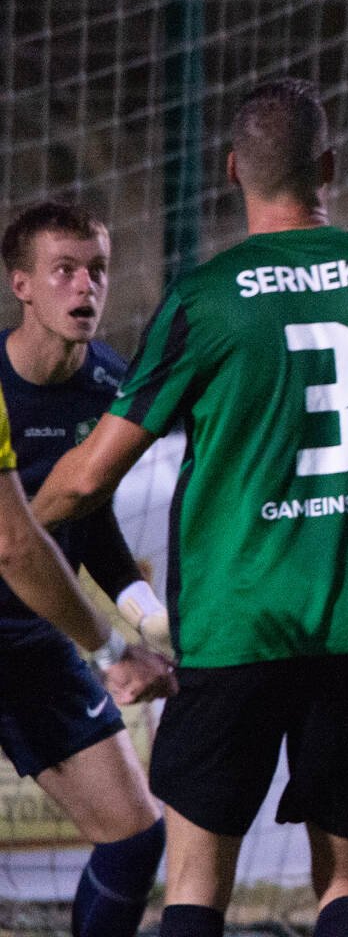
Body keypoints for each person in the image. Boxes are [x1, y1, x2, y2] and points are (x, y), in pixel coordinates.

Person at [33, 80, 348, 937]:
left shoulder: (205, 297)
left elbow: (86, 481)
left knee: (193, 893)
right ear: (327, 165)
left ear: (231, 172)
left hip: (236, 627)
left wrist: (17, 526)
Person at [0, 202, 179, 937]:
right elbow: (16, 545)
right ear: (23, 286)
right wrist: (111, 652)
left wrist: (152, 620)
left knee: (135, 836)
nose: (85, 288)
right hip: (48, 623)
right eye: (64, 271)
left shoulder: (112, 384)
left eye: (97, 270)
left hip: (36, 642)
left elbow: (91, 522)